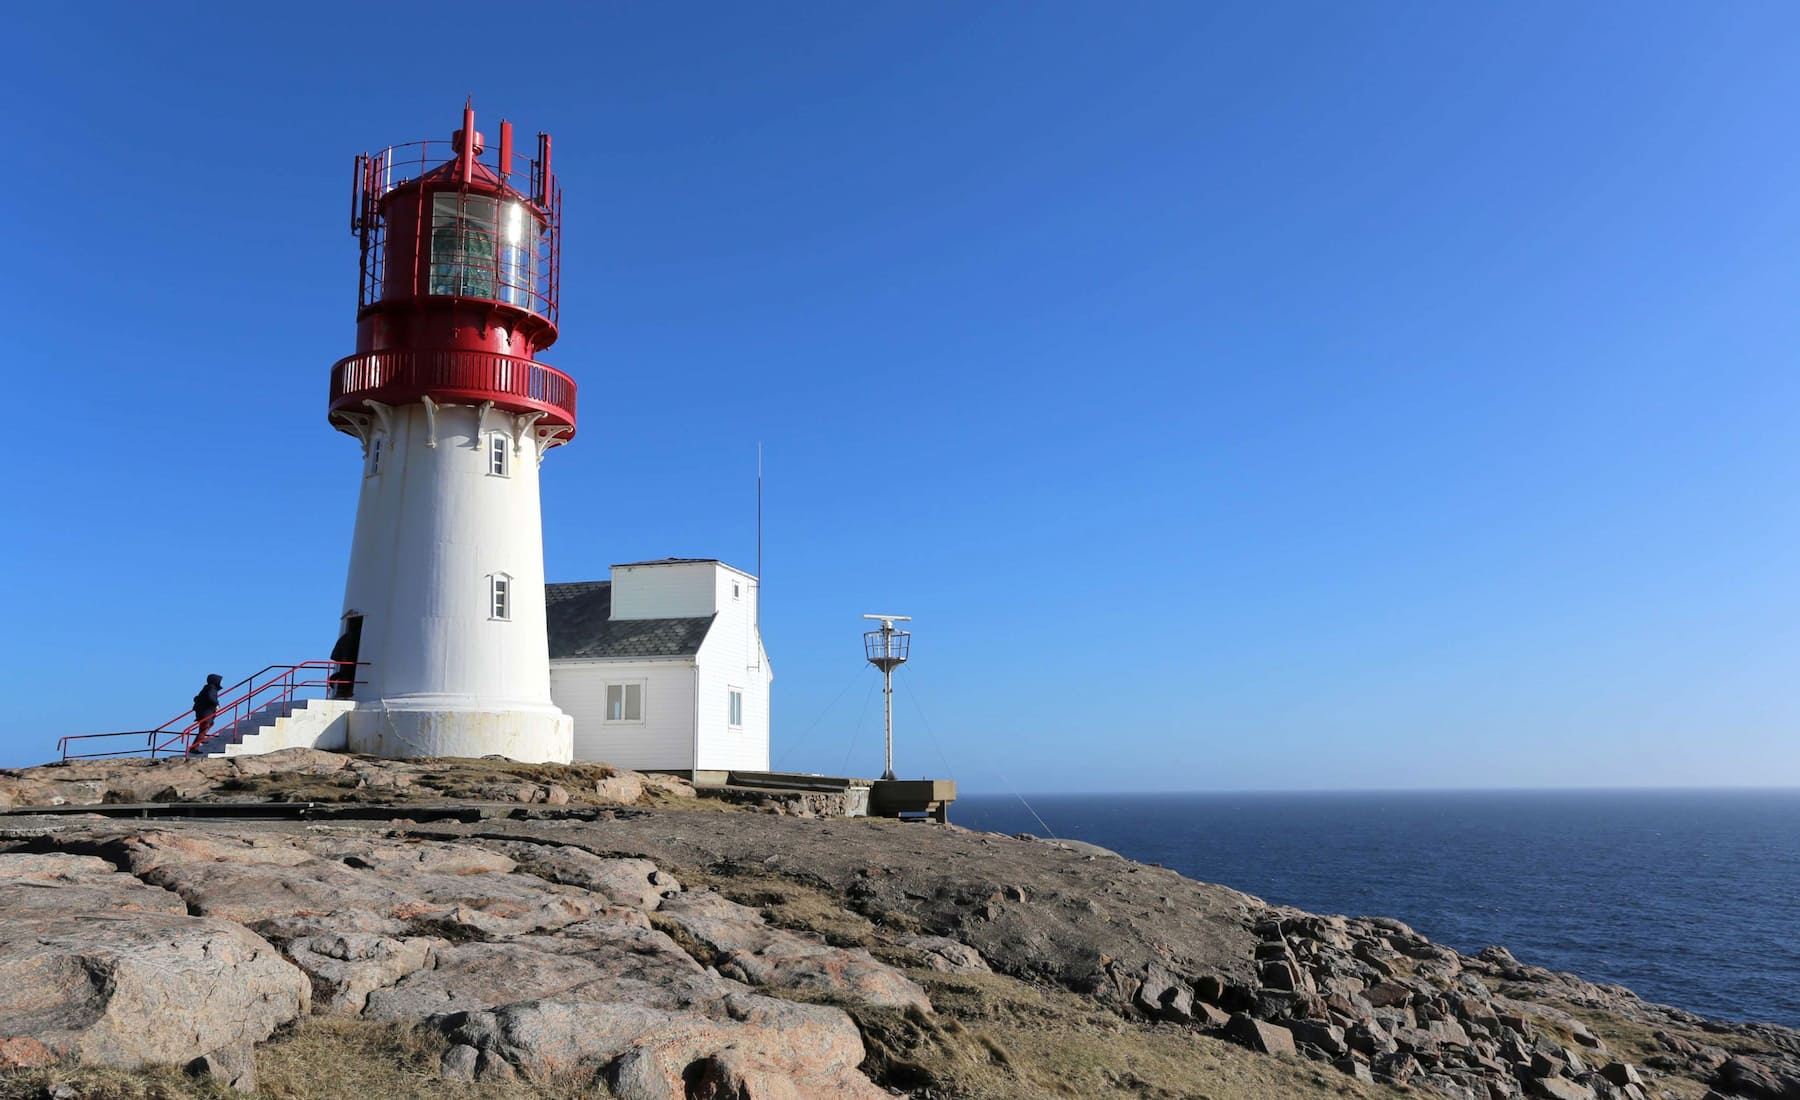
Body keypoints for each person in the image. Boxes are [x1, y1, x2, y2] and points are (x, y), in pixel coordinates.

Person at [190, 673, 223, 754]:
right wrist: (216, 703)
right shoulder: (212, 688)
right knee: (205, 727)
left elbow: (198, 698)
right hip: (206, 712)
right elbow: (210, 697)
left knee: (207, 726)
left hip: (203, 712)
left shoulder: (207, 687)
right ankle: (195, 746)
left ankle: (198, 743)